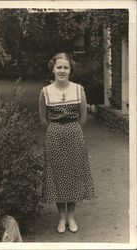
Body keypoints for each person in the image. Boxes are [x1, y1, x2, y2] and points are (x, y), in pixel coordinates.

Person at [39, 53, 95, 234]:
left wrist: (70, 130)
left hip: (74, 135)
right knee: (57, 177)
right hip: (54, 135)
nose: (62, 71)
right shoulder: (45, 92)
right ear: (53, 68)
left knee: (73, 175)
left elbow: (83, 117)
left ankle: (71, 216)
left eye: (66, 67)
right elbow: (43, 119)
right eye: (59, 67)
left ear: (71, 70)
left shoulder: (79, 90)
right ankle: (61, 217)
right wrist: (57, 130)